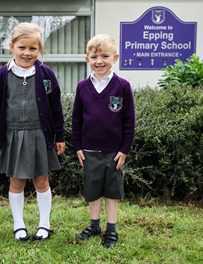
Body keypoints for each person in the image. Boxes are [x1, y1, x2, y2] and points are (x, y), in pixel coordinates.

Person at [0, 22, 66, 242]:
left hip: (39, 135)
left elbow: (55, 108)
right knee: (17, 182)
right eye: (22, 47)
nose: (27, 53)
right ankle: (19, 225)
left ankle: (44, 224)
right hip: (14, 135)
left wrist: (59, 136)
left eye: (33, 48)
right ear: (12, 46)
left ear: (39, 49)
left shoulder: (46, 75)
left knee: (41, 181)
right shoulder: (3, 75)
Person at [72, 34, 135, 248]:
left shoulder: (122, 86)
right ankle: (94, 225)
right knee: (92, 190)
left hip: (114, 152)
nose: (99, 61)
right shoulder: (82, 87)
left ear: (115, 57)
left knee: (111, 191)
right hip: (89, 150)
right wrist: (78, 147)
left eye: (105, 56)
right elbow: (77, 119)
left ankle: (111, 229)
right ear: (86, 59)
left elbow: (129, 121)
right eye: (94, 56)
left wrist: (125, 149)